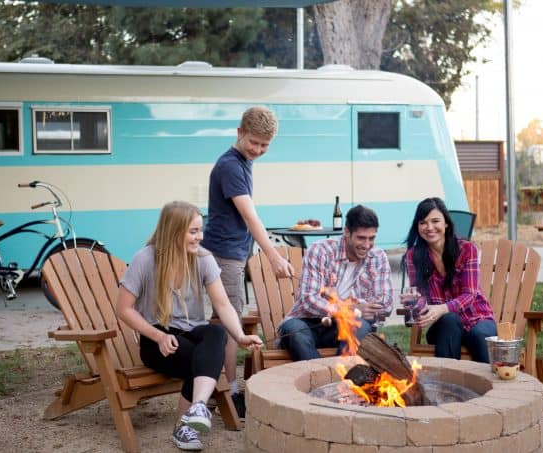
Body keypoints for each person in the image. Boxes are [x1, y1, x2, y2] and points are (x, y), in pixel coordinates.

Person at [116, 201, 262, 451]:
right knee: (204, 357)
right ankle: (186, 426)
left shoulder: (203, 259)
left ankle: (197, 408)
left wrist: (239, 335)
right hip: (158, 340)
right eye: (193, 231)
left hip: (192, 334)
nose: (200, 237)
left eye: (200, 230)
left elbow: (223, 305)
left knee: (216, 332)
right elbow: (123, 309)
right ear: (174, 232)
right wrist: (158, 336)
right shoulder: (145, 259)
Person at [201, 106, 294, 416]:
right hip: (225, 255)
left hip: (233, 253)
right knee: (230, 324)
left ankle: (218, 387)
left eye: (264, 145)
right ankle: (229, 393)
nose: (257, 150)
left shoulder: (242, 162)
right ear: (239, 133)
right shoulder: (230, 166)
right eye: (253, 142)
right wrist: (273, 256)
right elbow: (249, 214)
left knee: (224, 321)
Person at [278, 205, 393, 361]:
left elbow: (385, 304)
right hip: (308, 322)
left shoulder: (378, 257)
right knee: (294, 331)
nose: (367, 245)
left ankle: (338, 381)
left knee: (361, 327)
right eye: (361, 238)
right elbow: (309, 299)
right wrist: (351, 308)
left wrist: (354, 312)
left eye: (371, 238)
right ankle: (324, 379)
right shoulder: (320, 251)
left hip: (346, 327)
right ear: (346, 233)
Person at [403, 197, 496, 363]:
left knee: (479, 335)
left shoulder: (467, 250)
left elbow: (470, 294)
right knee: (450, 319)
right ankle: (446, 384)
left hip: (478, 317)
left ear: (446, 223)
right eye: (423, 222)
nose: (429, 227)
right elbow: (420, 295)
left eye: (435, 221)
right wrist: (414, 303)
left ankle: (494, 386)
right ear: (417, 226)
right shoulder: (414, 256)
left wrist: (443, 308)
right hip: (446, 326)